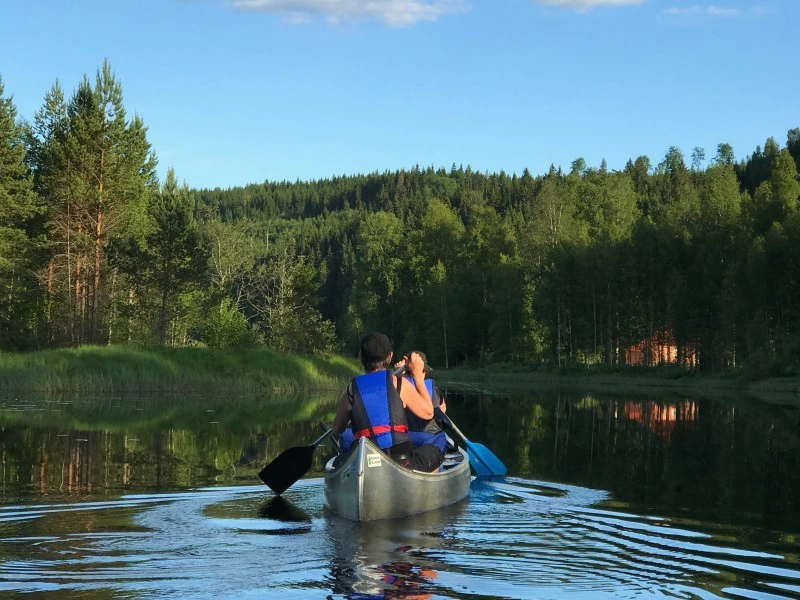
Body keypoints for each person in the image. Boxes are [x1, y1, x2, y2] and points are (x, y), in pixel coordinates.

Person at [330, 332, 443, 472]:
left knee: (339, 460)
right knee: (436, 450)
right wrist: (418, 377)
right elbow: (428, 413)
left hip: (365, 458)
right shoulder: (399, 383)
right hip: (401, 460)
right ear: (390, 357)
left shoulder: (351, 389)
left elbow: (336, 429)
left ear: (360, 357)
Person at [394, 351, 447, 454]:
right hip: (428, 439)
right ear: (423, 371)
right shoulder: (434, 389)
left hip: (403, 438)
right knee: (441, 437)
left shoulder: (397, 385)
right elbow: (442, 411)